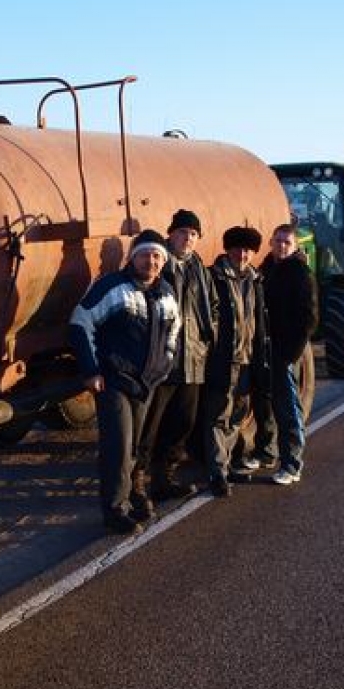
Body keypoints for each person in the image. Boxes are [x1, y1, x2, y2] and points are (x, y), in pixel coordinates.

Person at [69, 229, 180, 534]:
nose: (151, 261)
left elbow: (174, 333)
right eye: (145, 254)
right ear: (133, 257)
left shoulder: (166, 293)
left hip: (146, 383)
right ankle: (115, 511)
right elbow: (80, 322)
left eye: (157, 256)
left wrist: (164, 366)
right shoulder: (112, 288)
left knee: (134, 447)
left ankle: (131, 495)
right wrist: (91, 370)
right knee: (118, 446)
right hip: (114, 381)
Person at [135, 209, 217, 504]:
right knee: (150, 424)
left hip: (193, 359)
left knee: (183, 422)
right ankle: (137, 484)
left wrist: (208, 343)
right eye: (182, 232)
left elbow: (213, 308)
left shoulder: (199, 268)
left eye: (193, 234)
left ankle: (164, 478)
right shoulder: (158, 263)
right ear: (171, 234)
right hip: (163, 361)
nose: (188, 238)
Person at [201, 225, 264, 497]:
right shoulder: (214, 278)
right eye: (237, 248)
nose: (243, 254)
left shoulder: (256, 280)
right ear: (227, 250)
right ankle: (217, 472)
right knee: (218, 415)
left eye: (248, 250)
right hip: (223, 360)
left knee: (238, 415)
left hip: (248, 360)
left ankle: (225, 464)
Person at [256, 223, 319, 484]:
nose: (281, 246)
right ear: (271, 242)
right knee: (266, 403)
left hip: (285, 351)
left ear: (295, 247)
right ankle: (267, 452)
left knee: (287, 408)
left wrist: (291, 354)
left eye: (287, 243)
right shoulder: (268, 269)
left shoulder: (300, 273)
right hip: (267, 347)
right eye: (278, 241)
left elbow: (309, 318)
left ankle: (292, 464)